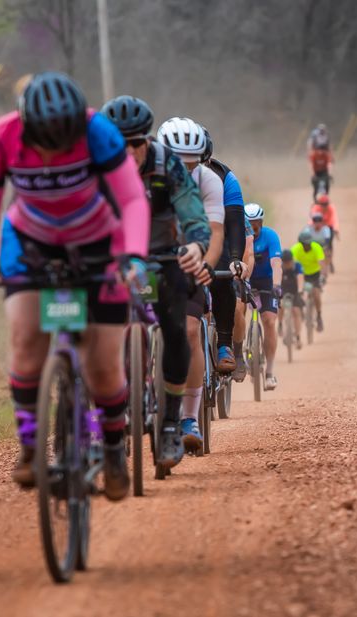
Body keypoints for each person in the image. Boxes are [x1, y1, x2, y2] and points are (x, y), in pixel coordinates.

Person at [0, 72, 149, 499]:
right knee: (26, 340)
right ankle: (30, 447)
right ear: (27, 126)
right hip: (29, 242)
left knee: (105, 366)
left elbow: (132, 199)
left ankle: (112, 449)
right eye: (47, 140)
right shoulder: (0, 138)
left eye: (65, 140)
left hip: (101, 242)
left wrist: (135, 256)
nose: (56, 148)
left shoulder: (97, 131)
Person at [100, 95, 211, 469]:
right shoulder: (95, 164)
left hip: (162, 254)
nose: (128, 151)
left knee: (178, 329)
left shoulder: (167, 163)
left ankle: (169, 423)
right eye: (119, 143)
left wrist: (196, 243)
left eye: (136, 142)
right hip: (112, 255)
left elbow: (192, 209)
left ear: (147, 139)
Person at [157, 117, 225, 452]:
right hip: (149, 256)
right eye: (176, 163)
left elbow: (216, 232)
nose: (183, 171)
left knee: (189, 331)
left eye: (190, 164)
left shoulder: (209, 180)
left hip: (190, 261)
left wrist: (206, 266)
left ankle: (188, 417)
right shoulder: (144, 174)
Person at [199, 125, 255, 375]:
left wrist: (235, 259)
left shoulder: (225, 177)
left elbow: (235, 223)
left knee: (222, 278)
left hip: (216, 234)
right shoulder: (165, 175)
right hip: (181, 237)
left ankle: (224, 345)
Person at [236, 204, 283, 390]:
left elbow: (276, 263)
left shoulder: (270, 236)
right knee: (238, 312)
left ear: (261, 222)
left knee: (269, 321)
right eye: (250, 224)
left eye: (256, 224)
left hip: (267, 282)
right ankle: (242, 349)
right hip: (246, 280)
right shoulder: (240, 237)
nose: (253, 228)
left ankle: (270, 371)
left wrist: (277, 286)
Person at [290, 230, 326, 332]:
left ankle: (319, 316)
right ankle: (301, 310)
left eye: (309, 243)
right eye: (305, 244)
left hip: (315, 274)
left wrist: (323, 276)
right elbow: (291, 265)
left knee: (316, 294)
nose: (308, 246)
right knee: (302, 294)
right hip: (303, 275)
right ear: (301, 243)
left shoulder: (316, 247)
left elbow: (322, 263)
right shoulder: (295, 249)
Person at [278, 249, 304, 349]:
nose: (287, 264)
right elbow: (276, 280)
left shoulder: (297, 266)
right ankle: (280, 324)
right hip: (283, 290)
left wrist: (301, 290)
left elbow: (300, 277)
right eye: (285, 262)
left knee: (296, 311)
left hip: (295, 291)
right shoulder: (279, 267)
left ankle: (298, 337)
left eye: (289, 262)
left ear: (292, 261)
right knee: (280, 305)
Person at [308, 125, 334, 200]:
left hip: (324, 170)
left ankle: (326, 198)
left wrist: (329, 174)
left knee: (327, 183)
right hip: (316, 171)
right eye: (319, 149)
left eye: (322, 150)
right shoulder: (314, 139)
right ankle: (315, 197)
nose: (321, 151)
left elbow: (329, 164)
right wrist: (313, 175)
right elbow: (311, 165)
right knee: (315, 185)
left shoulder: (326, 154)